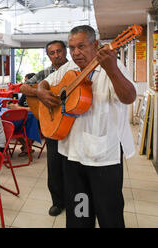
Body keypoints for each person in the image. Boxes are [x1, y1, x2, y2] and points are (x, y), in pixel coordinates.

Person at [37, 25, 136, 228]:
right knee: (79, 213)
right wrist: (40, 90)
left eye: (81, 46)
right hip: (71, 155)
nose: (75, 53)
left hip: (103, 159)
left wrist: (112, 69)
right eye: (72, 47)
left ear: (96, 45)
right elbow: (46, 83)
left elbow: (129, 97)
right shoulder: (68, 68)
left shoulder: (113, 67)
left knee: (109, 214)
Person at [19, 40, 68, 217]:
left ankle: (75, 201)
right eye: (52, 53)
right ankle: (58, 202)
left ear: (65, 51)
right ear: (48, 56)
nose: (56, 55)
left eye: (59, 51)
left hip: (73, 125)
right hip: (52, 124)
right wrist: (39, 92)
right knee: (54, 166)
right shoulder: (45, 73)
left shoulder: (76, 69)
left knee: (71, 167)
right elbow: (24, 87)